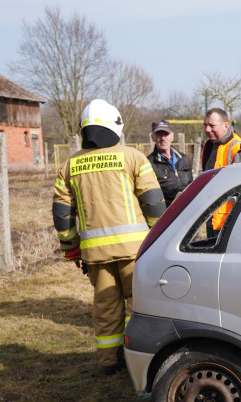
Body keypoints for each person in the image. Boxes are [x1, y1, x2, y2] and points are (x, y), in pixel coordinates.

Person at [53, 99, 166, 375]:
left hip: (95, 256)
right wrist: (159, 237)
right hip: (135, 251)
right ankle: (144, 361)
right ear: (116, 126)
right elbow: (153, 204)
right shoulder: (133, 158)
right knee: (141, 306)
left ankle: (109, 363)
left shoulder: (69, 166)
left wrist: (71, 247)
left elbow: (62, 215)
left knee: (105, 308)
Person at [200, 107, 241, 230]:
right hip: (212, 218)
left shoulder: (238, 148)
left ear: (226, 126)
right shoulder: (209, 146)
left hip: (231, 223)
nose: (207, 129)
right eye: (205, 125)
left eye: (212, 125)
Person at [146, 119, 193, 206]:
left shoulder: (184, 159)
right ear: (153, 137)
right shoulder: (148, 163)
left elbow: (191, 185)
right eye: (159, 134)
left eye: (166, 134)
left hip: (188, 209)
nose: (163, 138)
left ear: (172, 137)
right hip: (167, 213)